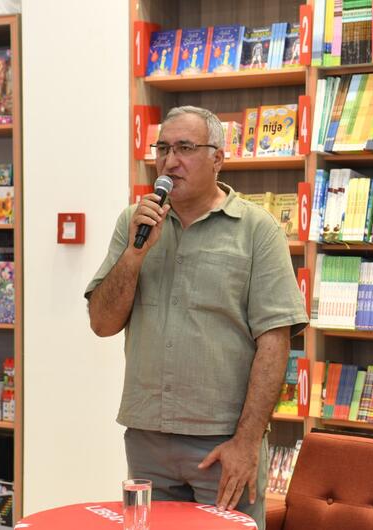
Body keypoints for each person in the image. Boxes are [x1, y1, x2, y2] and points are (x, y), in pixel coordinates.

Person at [85, 106, 307, 529]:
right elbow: (102, 323)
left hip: (222, 443)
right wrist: (134, 254)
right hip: (147, 437)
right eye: (163, 149)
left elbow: (275, 343)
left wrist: (247, 442)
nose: (170, 161)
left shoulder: (257, 230)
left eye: (185, 148)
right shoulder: (134, 223)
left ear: (217, 158)